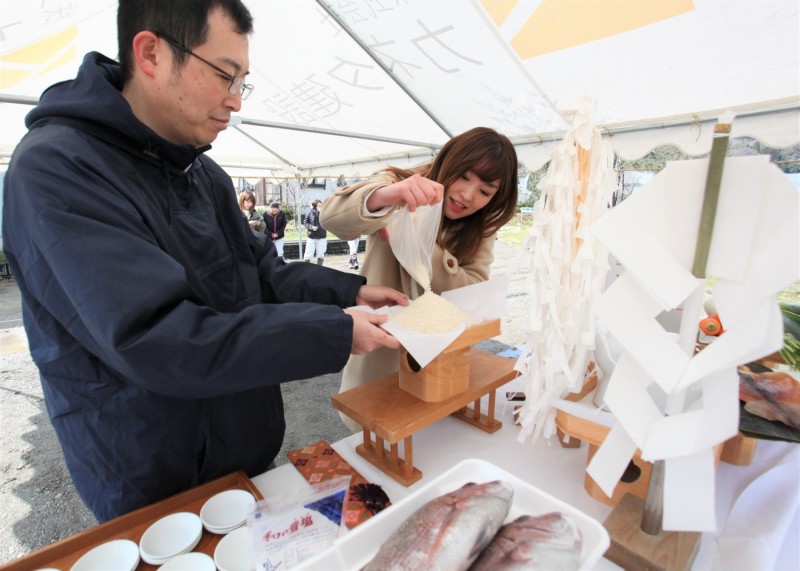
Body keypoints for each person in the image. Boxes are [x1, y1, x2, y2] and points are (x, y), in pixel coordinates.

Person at [1, 0, 407, 522]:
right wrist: (334, 330)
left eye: (243, 83)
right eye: (224, 76)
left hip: (242, 443)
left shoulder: (202, 172)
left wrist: (347, 293)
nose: (236, 102)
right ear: (150, 53)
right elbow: (157, 338)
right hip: (149, 470)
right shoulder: (58, 169)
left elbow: (263, 272)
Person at [322, 127, 518, 431]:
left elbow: (474, 290)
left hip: (440, 360)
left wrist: (422, 241)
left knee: (430, 434)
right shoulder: (402, 185)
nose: (468, 195)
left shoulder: (480, 228)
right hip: (381, 349)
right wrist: (386, 197)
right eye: (464, 176)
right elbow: (333, 216)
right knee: (371, 428)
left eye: (485, 191)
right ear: (449, 160)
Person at [303, 199, 327, 265]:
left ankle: (319, 268)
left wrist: (318, 227)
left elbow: (326, 222)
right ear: (315, 206)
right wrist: (311, 227)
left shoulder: (324, 213)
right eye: (319, 206)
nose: (320, 207)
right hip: (311, 236)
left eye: (321, 206)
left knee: (321, 253)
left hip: (321, 235)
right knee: (308, 253)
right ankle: (306, 267)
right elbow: (305, 223)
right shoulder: (310, 212)